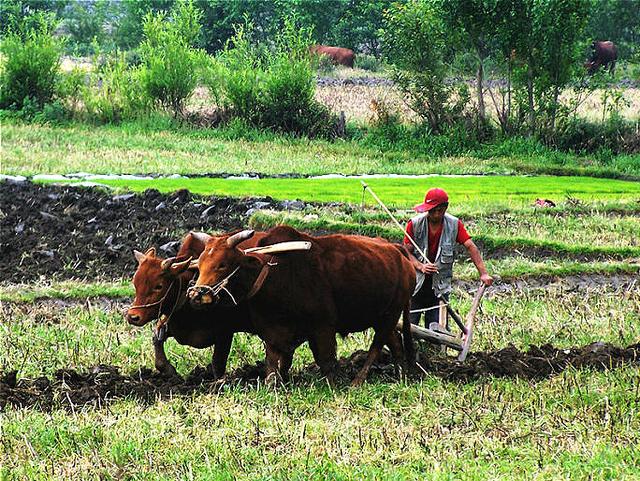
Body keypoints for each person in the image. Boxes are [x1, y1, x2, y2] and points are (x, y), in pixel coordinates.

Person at [403, 188, 493, 328]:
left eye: (437, 210)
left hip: (439, 285)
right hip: (416, 283)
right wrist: (421, 266)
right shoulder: (414, 224)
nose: (434, 214)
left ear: (443, 209)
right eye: (431, 210)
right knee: (409, 324)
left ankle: (434, 348)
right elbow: (406, 252)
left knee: (436, 327)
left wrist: (483, 273)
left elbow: (471, 247)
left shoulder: (454, 225)